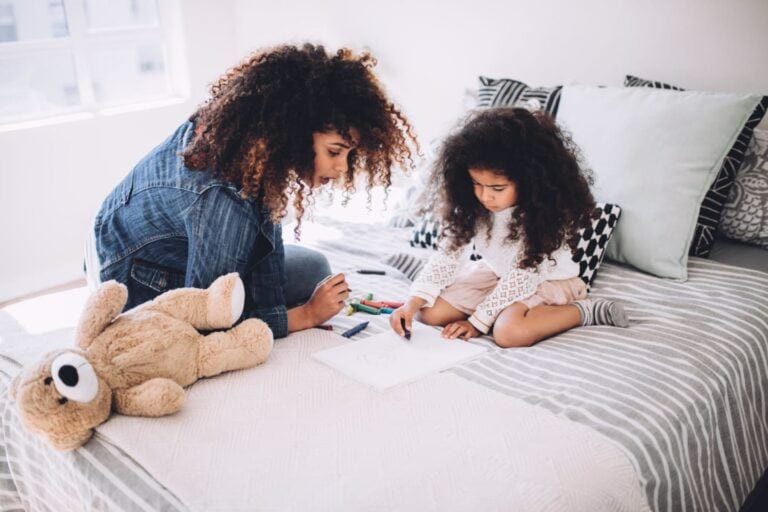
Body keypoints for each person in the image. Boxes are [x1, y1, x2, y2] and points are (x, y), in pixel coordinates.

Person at [89, 44, 418, 339]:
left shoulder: (250, 147)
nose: (343, 168)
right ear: (294, 136)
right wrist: (304, 316)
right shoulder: (222, 197)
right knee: (291, 292)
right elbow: (208, 320)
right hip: (135, 281)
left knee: (313, 268)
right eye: (334, 152)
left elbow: (267, 252)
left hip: (139, 246)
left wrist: (273, 304)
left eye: (349, 155)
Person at [390, 107, 627, 348]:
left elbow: (523, 277)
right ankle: (435, 286)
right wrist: (412, 303)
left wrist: (477, 322)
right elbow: (448, 256)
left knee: (508, 333)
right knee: (428, 314)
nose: (485, 196)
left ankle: (586, 311)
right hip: (497, 274)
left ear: (529, 181)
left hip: (546, 281)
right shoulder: (474, 206)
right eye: (476, 184)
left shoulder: (542, 216)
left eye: (497, 188)